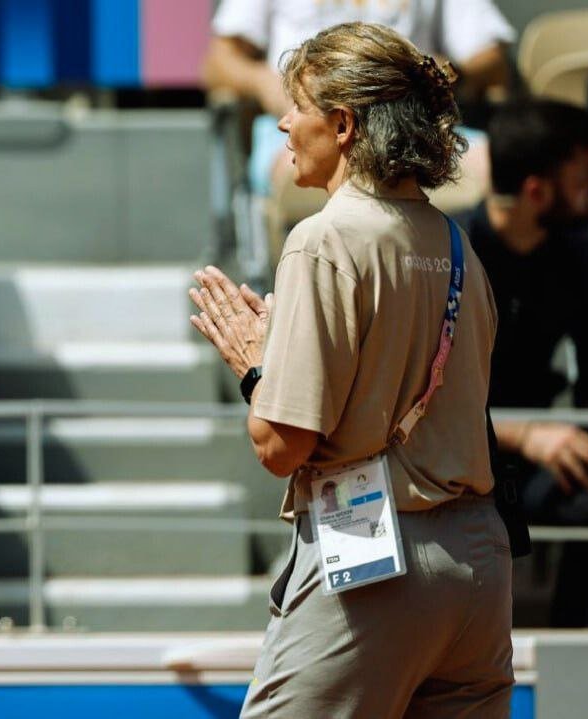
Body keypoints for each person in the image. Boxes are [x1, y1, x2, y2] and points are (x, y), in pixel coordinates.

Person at [190, 23, 511, 716]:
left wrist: (257, 367)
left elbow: (283, 445)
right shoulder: (458, 244)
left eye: (295, 105)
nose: (281, 121)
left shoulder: (322, 238)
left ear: (342, 125)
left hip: (375, 559)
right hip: (480, 564)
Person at [456, 100, 588, 626]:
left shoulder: (579, 255)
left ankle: (577, 650)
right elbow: (415, 403)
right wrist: (526, 433)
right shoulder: (448, 253)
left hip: (540, 454)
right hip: (450, 456)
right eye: (584, 175)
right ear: (537, 191)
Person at [202, 0, 514, 197]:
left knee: (497, 168)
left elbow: (491, 58)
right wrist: (264, 83)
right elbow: (218, 63)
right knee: (310, 178)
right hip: (306, 123)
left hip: (410, 122)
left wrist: (437, 74)